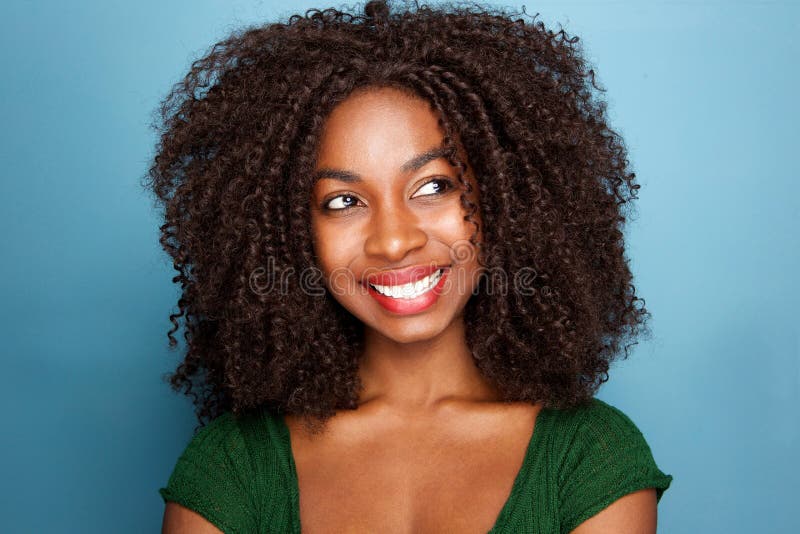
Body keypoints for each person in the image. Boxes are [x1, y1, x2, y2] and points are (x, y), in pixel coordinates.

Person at [145, 1, 673, 532]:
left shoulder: (587, 458)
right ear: (286, 236)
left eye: (434, 187)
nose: (394, 241)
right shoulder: (232, 467)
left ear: (504, 199)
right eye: (343, 201)